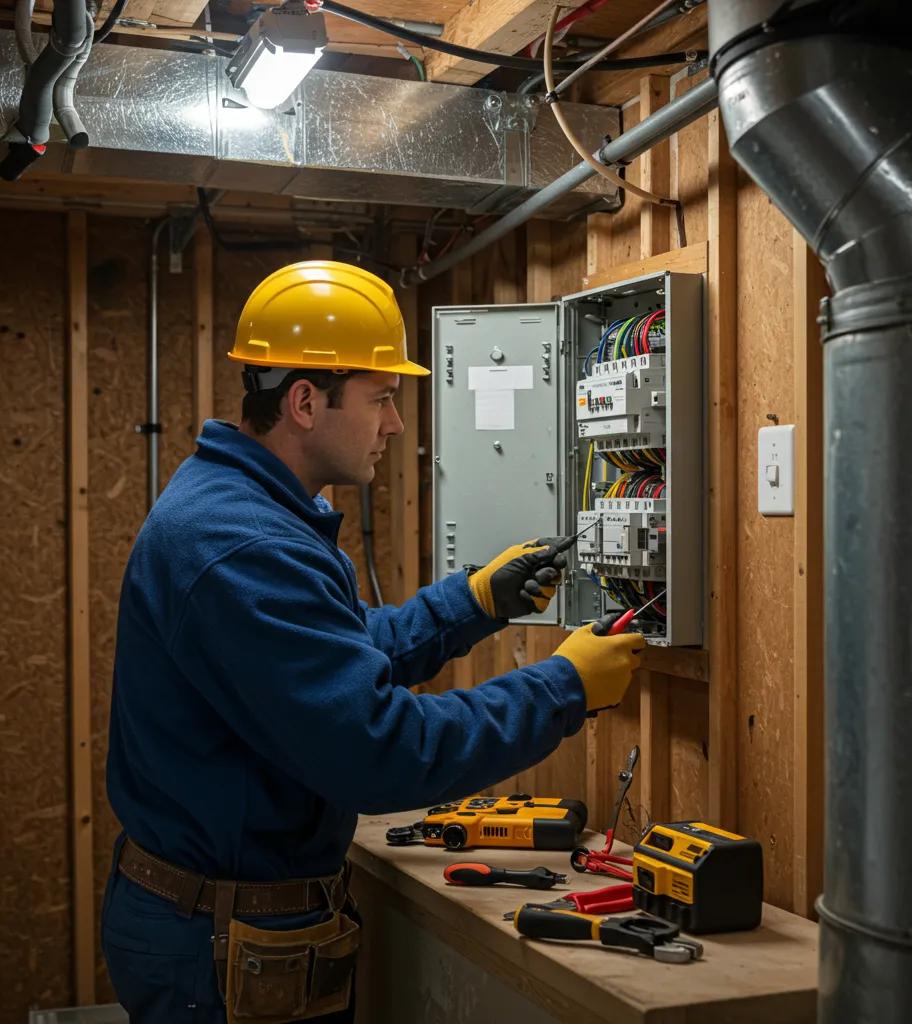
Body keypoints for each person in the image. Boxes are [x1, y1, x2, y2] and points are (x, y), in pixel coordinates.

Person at [102, 260, 644, 1023]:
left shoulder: (252, 511)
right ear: (303, 401)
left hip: (226, 918)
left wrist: (472, 601)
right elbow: (377, 748)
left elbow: (334, 653)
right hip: (220, 942)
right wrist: (563, 689)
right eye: (382, 399)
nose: (394, 424)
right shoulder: (240, 544)